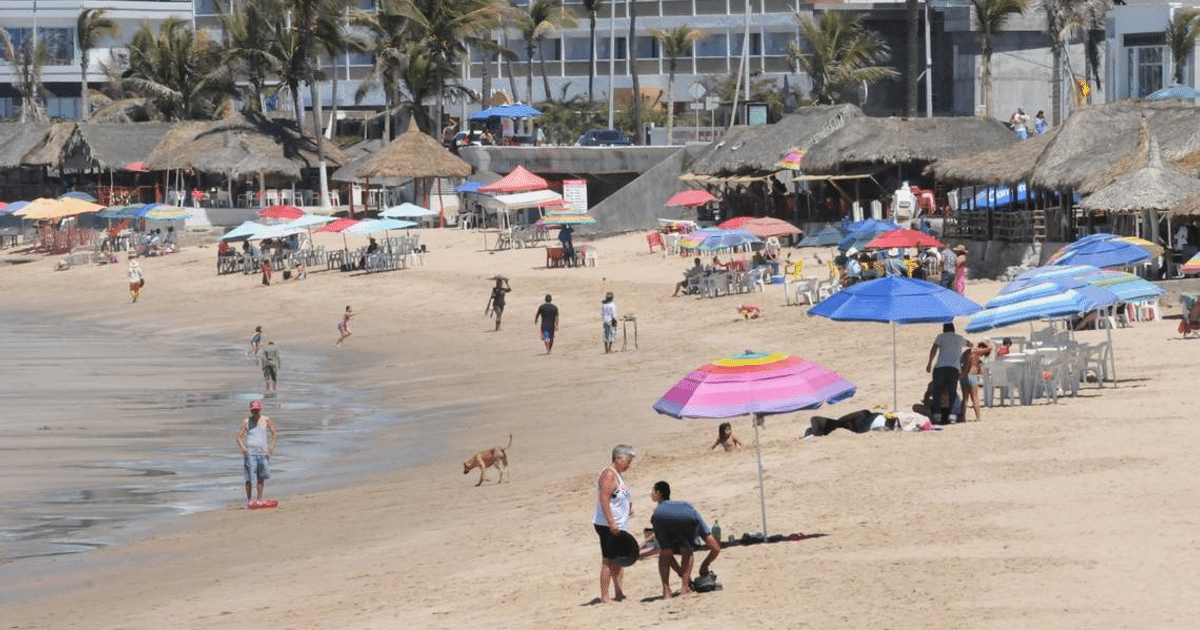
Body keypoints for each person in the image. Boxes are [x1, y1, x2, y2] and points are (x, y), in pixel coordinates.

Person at [649, 481, 721, 599]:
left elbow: (667, 555)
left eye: (652, 491)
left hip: (660, 516)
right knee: (687, 550)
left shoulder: (658, 511)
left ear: (658, 493)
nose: (651, 494)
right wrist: (704, 565)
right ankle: (684, 588)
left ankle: (666, 591)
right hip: (687, 514)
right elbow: (716, 548)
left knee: (665, 553)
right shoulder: (688, 507)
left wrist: (680, 573)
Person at [593, 444, 636, 604]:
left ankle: (619, 594)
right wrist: (611, 522)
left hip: (619, 524)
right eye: (627, 461)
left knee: (620, 559)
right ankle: (605, 596)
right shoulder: (608, 474)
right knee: (608, 559)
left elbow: (618, 497)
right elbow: (604, 499)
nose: (629, 465)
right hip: (607, 525)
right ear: (618, 458)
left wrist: (628, 508)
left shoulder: (618, 475)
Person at [926, 323, 970, 424]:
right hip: (954, 368)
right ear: (953, 329)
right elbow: (969, 343)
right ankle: (952, 416)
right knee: (952, 392)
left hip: (940, 367)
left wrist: (929, 363)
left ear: (943, 329)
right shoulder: (959, 338)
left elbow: (934, 349)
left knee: (937, 391)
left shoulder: (940, 336)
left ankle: (937, 415)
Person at [237, 400, 278, 507]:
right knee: (249, 478)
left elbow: (274, 433)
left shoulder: (266, 420)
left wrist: (272, 447)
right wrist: (243, 448)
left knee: (261, 477)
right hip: (250, 453)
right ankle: (249, 500)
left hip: (263, 453)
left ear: (260, 409)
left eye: (257, 410)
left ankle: (259, 499)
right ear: (251, 410)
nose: (255, 412)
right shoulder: (247, 421)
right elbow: (238, 437)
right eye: (253, 410)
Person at [959, 340, 993, 422]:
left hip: (963, 376)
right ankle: (978, 417)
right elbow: (990, 348)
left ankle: (963, 417)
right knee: (974, 398)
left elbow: (963, 363)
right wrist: (984, 342)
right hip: (972, 376)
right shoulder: (977, 351)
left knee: (965, 398)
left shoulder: (966, 352)